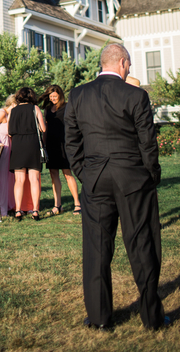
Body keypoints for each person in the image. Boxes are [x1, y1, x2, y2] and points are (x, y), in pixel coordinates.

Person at [65, 43, 167, 331]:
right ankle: (152, 318)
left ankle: (99, 318)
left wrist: (85, 173)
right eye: (129, 65)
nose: (129, 69)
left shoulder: (78, 95)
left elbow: (71, 142)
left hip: (95, 180)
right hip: (133, 179)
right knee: (142, 244)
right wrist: (151, 175)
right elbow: (148, 142)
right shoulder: (136, 95)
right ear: (122, 63)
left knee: (96, 249)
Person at [41, 84, 81, 216]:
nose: (52, 98)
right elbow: (46, 128)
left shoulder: (67, 107)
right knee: (53, 174)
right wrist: (44, 144)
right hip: (51, 144)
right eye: (51, 96)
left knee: (67, 173)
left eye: (55, 96)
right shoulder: (47, 110)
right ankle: (57, 205)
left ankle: (77, 204)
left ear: (60, 95)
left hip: (64, 143)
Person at [8, 87, 46, 221]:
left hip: (18, 145)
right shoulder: (35, 108)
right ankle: (35, 210)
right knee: (34, 179)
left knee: (19, 180)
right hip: (33, 144)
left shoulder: (13, 110)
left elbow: (10, 131)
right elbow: (43, 128)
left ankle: (18, 210)